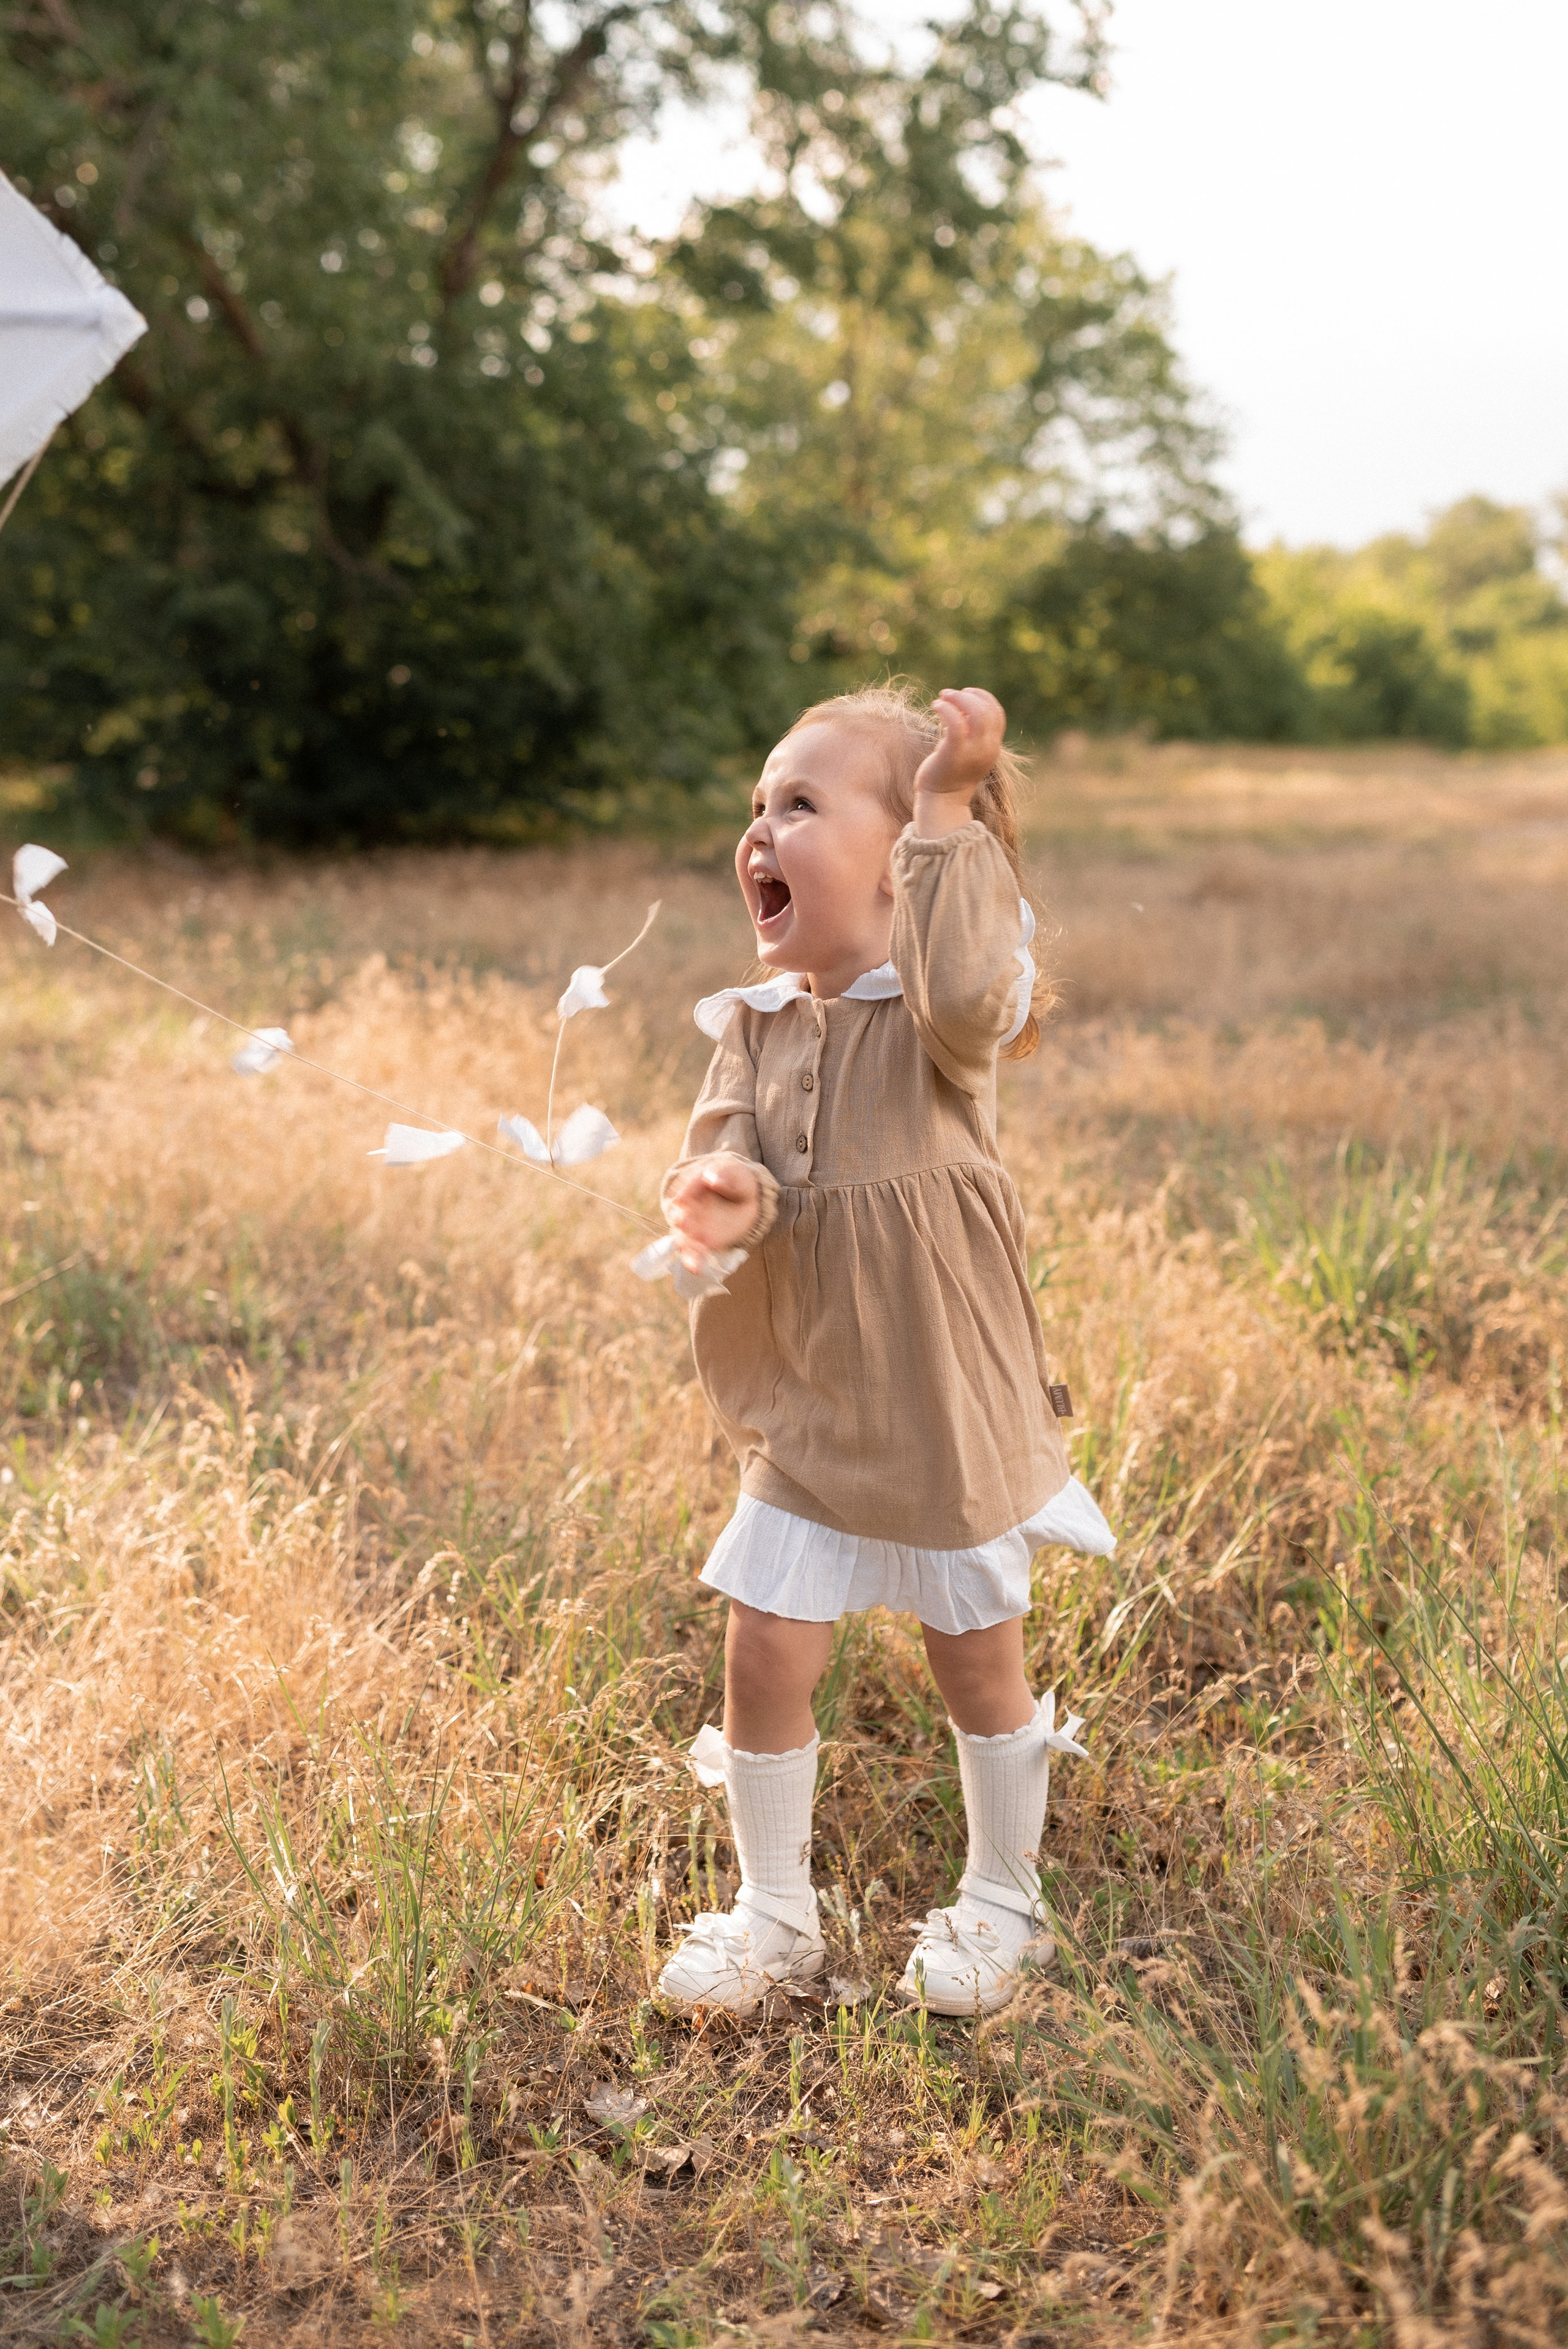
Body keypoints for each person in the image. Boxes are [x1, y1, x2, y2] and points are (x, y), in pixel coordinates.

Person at [655, 681, 1114, 2018]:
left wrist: (946, 808)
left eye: (800, 804)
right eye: (757, 804)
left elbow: (971, 982)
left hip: (939, 1403)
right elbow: (726, 1150)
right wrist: (720, 1196)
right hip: (812, 1406)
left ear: (902, 865)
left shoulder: (939, 1015)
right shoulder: (752, 1022)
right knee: (761, 1646)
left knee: (975, 1658)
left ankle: (1003, 1901)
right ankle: (774, 1914)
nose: (758, 831)